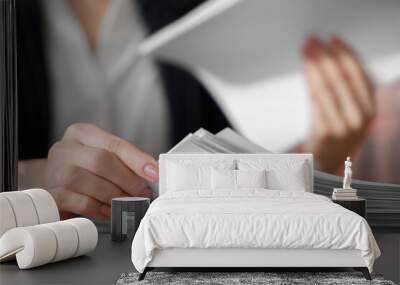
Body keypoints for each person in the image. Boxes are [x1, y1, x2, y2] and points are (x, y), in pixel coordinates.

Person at [16, 0, 375, 220]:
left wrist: (321, 162)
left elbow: (242, 176)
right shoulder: (13, 20)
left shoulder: (199, 14)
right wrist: (32, 183)